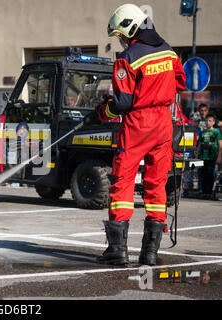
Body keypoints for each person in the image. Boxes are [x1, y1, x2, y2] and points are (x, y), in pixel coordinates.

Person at [89, 4, 186, 266]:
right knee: (157, 184)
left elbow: (122, 102)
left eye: (121, 34)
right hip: (165, 122)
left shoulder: (127, 57)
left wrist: (102, 111)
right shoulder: (169, 52)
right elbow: (181, 82)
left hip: (137, 125)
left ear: (131, 28)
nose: (121, 40)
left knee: (123, 183)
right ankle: (150, 253)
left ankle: (118, 251)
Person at [197, 114, 222, 198]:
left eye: (210, 121)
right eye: (206, 121)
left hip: (212, 157)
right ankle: (203, 192)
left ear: (214, 122)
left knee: (210, 174)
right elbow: (199, 145)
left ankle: (209, 192)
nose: (207, 122)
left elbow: (220, 145)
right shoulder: (202, 132)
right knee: (203, 175)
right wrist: (196, 156)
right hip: (203, 157)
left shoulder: (216, 132)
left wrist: (219, 157)